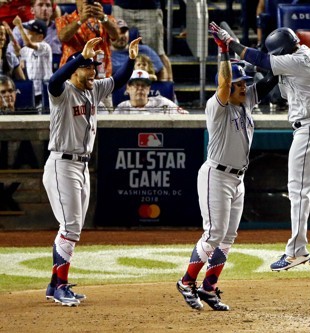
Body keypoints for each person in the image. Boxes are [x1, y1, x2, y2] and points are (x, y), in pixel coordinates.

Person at [209, 23, 310, 271]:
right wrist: (259, 72)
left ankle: (296, 252)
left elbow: (261, 59)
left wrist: (231, 43)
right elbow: (274, 89)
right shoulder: (303, 56)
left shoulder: (297, 59)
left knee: (298, 191)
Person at [176, 36, 279, 310]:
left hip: (238, 178)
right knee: (214, 233)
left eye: (245, 82)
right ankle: (187, 282)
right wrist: (223, 51)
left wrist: (280, 57)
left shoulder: (245, 102)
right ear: (228, 86)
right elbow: (223, 84)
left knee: (229, 236)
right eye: (239, 83)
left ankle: (209, 287)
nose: (244, 86)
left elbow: (270, 80)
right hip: (216, 175)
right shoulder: (216, 106)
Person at [43, 36, 140, 307]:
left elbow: (118, 80)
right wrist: (76, 58)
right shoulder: (62, 91)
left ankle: (54, 285)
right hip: (62, 163)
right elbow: (52, 81)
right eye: (87, 68)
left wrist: (131, 59)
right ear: (74, 71)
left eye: (94, 67)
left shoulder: (92, 89)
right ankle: (60, 285)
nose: (94, 72)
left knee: (73, 227)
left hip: (81, 165)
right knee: (70, 226)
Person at [56, 0, 119, 78]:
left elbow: (116, 36)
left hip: (100, 77)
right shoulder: (65, 19)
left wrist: (103, 18)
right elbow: (63, 37)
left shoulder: (107, 19)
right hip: (73, 76)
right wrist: (80, 20)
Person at [112, 1, 172, 79]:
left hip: (150, 8)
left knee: (158, 53)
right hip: (121, 6)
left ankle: (168, 88)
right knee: (117, 46)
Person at [12, 15, 52, 107]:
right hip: (32, 88)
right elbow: (18, 51)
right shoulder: (27, 49)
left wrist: (20, 26)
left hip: (45, 89)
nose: (26, 34)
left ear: (40, 37)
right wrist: (10, 32)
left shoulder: (45, 47)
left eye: (30, 33)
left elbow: (28, 43)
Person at [114, 69, 187, 114]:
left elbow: (186, 117)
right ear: (128, 88)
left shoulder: (163, 103)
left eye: (144, 85)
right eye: (136, 85)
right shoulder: (121, 108)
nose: (140, 88)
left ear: (149, 89)